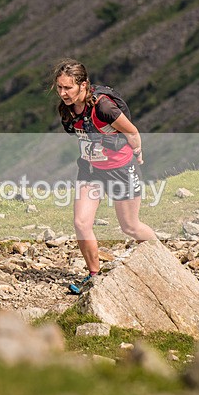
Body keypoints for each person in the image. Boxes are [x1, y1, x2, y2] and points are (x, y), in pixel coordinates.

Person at [51, 58, 157, 294]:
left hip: (120, 169)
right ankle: (93, 276)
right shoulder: (67, 110)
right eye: (59, 87)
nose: (63, 93)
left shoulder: (104, 107)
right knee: (81, 223)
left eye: (68, 87)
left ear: (83, 84)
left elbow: (132, 131)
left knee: (130, 227)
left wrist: (137, 153)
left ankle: (162, 260)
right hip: (90, 170)